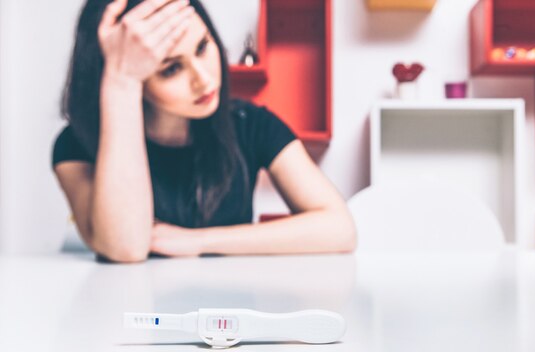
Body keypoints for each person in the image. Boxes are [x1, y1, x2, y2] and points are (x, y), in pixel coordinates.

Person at [52, 0, 356, 263]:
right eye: (171, 69)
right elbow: (125, 247)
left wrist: (197, 241)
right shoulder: (76, 145)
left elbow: (340, 229)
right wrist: (121, 81)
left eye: (202, 47)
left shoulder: (249, 122)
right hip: (132, 317)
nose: (203, 78)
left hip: (228, 317)